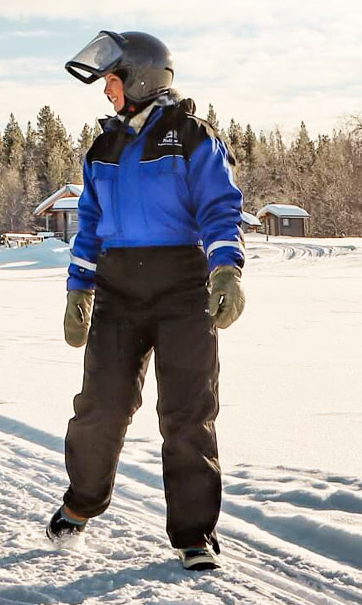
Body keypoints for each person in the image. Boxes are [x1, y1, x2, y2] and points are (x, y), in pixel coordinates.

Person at [48, 30, 246, 572]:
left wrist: (225, 266)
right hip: (118, 290)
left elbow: (220, 207)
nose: (106, 92)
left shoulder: (191, 136)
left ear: (140, 77)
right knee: (100, 408)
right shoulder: (103, 147)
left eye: (111, 81)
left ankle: (193, 534)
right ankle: (82, 502)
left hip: (183, 289)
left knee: (187, 414)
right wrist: (78, 288)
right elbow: (89, 223)